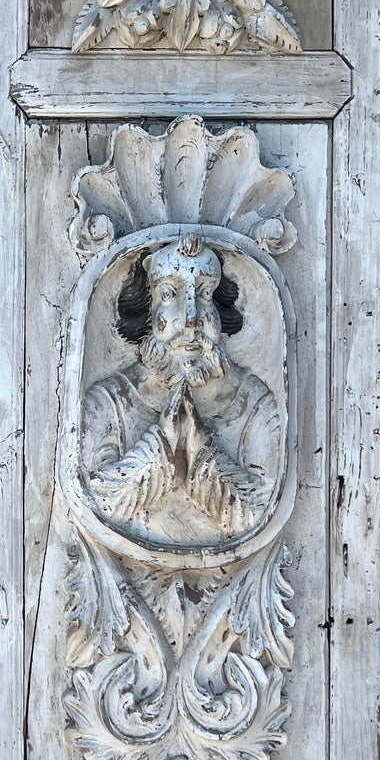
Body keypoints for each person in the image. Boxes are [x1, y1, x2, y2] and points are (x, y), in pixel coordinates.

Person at [81, 235, 279, 550]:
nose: (191, 319)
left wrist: (201, 452)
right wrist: (162, 446)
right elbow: (100, 502)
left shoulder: (254, 405)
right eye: (170, 293)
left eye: (204, 293)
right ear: (147, 308)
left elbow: (260, 509)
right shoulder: (106, 404)